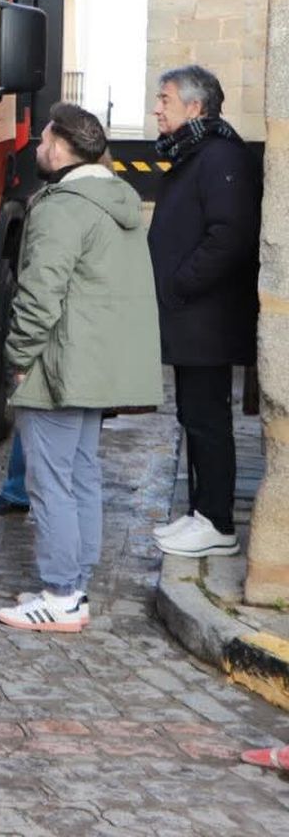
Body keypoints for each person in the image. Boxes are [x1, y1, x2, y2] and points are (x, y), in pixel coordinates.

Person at [0, 104, 161, 633]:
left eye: (43, 139)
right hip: (97, 365)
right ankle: (74, 584)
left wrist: (17, 359)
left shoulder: (62, 207)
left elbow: (39, 296)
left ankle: (61, 593)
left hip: (59, 366)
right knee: (82, 476)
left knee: (51, 482)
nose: (38, 148)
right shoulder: (117, 201)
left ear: (61, 147)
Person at [147, 65, 262, 558]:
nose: (157, 108)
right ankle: (201, 512)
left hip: (206, 317)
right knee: (194, 416)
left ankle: (216, 521)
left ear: (195, 107)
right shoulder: (197, 153)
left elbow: (228, 237)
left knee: (209, 419)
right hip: (193, 317)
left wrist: (178, 285)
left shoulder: (219, 157)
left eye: (165, 100)